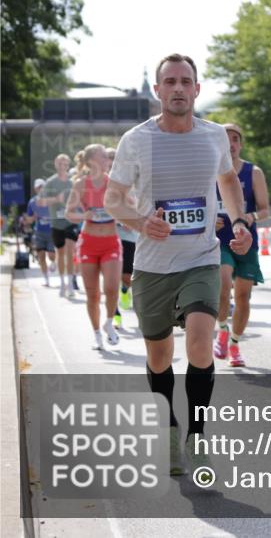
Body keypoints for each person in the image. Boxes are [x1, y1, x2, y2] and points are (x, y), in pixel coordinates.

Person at [105, 53, 252, 476]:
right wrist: (141, 222)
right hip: (152, 266)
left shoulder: (213, 136)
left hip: (201, 258)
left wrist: (239, 222)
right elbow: (113, 199)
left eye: (185, 81)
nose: (178, 88)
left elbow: (227, 181)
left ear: (197, 89)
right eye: (169, 82)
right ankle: (169, 427)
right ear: (157, 90)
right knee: (159, 356)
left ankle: (197, 436)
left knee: (201, 343)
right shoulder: (136, 140)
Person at [212, 122, 269, 368]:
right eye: (226, 139)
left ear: (241, 144)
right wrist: (209, 219)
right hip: (219, 241)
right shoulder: (209, 171)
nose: (231, 144)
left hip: (246, 240)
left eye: (235, 139)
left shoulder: (253, 172)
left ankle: (234, 344)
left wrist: (251, 216)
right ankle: (222, 329)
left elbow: (265, 210)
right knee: (223, 286)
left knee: (244, 296)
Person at [65, 144, 122, 350]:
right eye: (103, 156)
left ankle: (109, 322)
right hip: (88, 242)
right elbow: (68, 213)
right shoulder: (80, 185)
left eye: (108, 157)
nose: (108, 159)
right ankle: (97, 334)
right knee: (92, 293)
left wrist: (124, 215)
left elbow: (130, 204)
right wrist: (84, 215)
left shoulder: (114, 183)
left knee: (112, 288)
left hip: (110, 242)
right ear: (91, 161)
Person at [106, 147, 138, 330]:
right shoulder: (101, 182)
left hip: (130, 235)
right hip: (109, 235)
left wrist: (130, 217)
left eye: (113, 157)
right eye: (108, 158)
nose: (111, 161)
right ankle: (115, 315)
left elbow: (138, 202)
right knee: (110, 280)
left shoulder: (130, 176)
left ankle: (125, 289)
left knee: (126, 276)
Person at [40, 154, 79, 297]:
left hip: (70, 222)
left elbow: (81, 199)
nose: (63, 167)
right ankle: (62, 283)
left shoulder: (73, 182)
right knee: (60, 253)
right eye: (60, 164)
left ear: (68, 166)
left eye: (65, 164)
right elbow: (41, 202)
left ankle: (70, 284)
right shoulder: (50, 182)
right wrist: (56, 199)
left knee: (70, 250)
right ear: (56, 165)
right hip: (56, 223)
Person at [24, 179, 56, 286]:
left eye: (43, 187)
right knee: (41, 256)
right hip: (39, 232)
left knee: (51, 256)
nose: (41, 189)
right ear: (35, 189)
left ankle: (53, 262)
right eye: (39, 187)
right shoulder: (32, 202)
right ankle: (46, 279)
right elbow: (29, 219)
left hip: (51, 232)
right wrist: (33, 217)